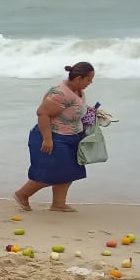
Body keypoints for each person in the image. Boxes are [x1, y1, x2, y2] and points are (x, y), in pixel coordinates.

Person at [13, 63, 96, 212]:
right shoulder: (60, 93)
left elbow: (73, 108)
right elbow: (42, 113)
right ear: (78, 78)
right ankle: (22, 194)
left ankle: (58, 204)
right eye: (89, 79)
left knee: (69, 171)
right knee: (51, 172)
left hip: (71, 136)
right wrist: (47, 139)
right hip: (53, 136)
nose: (91, 82)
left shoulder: (77, 90)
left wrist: (89, 112)